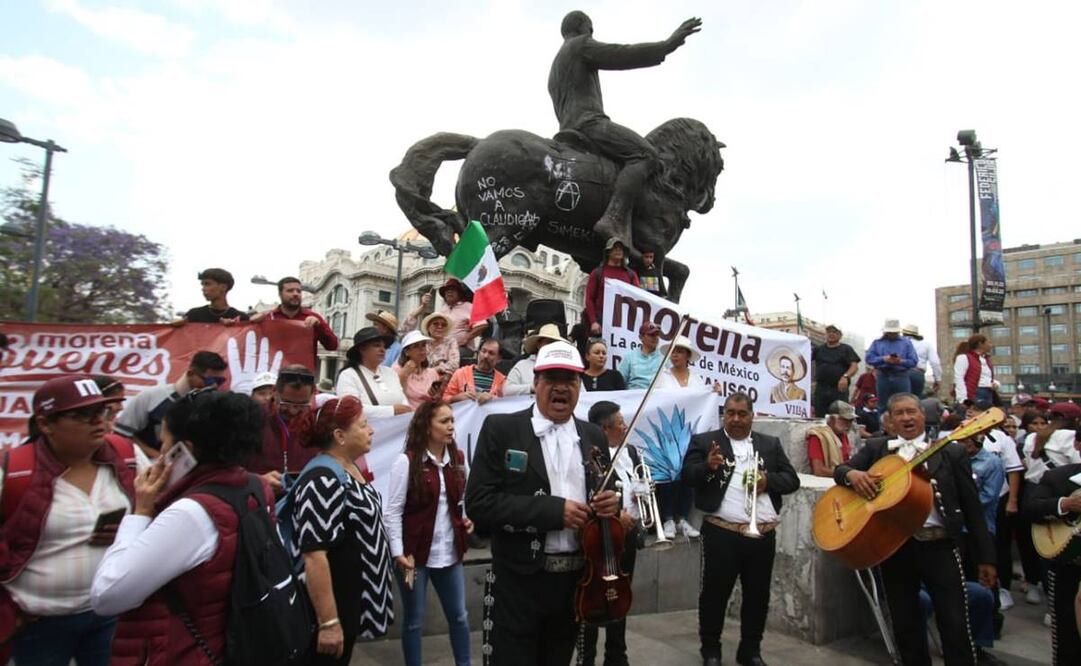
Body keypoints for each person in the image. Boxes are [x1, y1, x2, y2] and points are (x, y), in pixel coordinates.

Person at [464, 340, 621, 666]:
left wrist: (612, 503)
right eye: (552, 379)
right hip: (520, 581)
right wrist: (552, 511)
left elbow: (610, 487)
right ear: (535, 383)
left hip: (576, 582)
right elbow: (479, 503)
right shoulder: (502, 429)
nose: (561, 387)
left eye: (570, 380)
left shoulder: (593, 435)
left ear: (580, 385)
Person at [89, 390, 268, 664]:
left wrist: (141, 512)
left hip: (180, 651)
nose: (159, 454)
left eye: (164, 443)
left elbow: (107, 596)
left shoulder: (192, 513)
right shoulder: (256, 486)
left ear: (185, 450)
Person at [833, 392, 997, 666]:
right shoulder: (876, 449)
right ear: (890, 421)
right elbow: (840, 469)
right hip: (894, 548)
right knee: (905, 625)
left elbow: (973, 510)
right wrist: (852, 475)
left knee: (955, 623)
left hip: (941, 547)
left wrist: (986, 558)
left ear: (923, 416)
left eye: (912, 412)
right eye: (899, 413)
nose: (907, 418)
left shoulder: (951, 452)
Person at [1, 376, 142, 666]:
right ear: (45, 424)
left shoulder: (126, 456)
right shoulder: (14, 472)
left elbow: (158, 509)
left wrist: (135, 526)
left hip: (110, 617)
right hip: (38, 625)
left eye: (102, 412)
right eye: (82, 415)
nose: (98, 422)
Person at [548, 10, 701, 247]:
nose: (592, 32)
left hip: (568, 126)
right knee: (646, 154)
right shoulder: (580, 45)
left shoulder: (556, 66)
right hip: (589, 123)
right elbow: (621, 54)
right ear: (582, 27)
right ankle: (615, 218)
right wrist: (665, 46)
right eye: (590, 27)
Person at [682, 392, 800, 666]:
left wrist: (767, 481)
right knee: (714, 594)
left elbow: (792, 479)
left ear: (752, 415)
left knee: (757, 595)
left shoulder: (769, 444)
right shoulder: (705, 441)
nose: (735, 419)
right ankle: (710, 650)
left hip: (762, 533)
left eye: (741, 414)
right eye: (730, 413)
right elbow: (687, 476)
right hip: (721, 532)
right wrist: (708, 468)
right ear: (724, 414)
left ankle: (751, 650)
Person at [279, 396, 394, 665]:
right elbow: (314, 555)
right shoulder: (322, 479)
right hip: (330, 613)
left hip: (350, 607)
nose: (371, 430)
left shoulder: (349, 468)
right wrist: (329, 623)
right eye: (364, 425)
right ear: (340, 435)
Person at [384, 401, 474, 666]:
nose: (451, 427)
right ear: (426, 425)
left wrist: (466, 520)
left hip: (450, 552)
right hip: (414, 556)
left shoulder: (457, 459)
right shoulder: (407, 461)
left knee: (460, 616)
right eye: (443, 421)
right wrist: (398, 552)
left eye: (452, 421)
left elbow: (460, 502)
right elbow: (393, 511)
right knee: (414, 620)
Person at [580, 401, 643, 666]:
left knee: (621, 593)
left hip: (627, 537)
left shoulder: (630, 451)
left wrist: (643, 491)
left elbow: (637, 484)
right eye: (619, 423)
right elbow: (587, 497)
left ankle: (617, 656)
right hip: (599, 537)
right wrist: (618, 514)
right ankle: (587, 657)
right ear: (604, 429)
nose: (625, 426)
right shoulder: (591, 456)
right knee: (593, 597)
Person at [1022, 460, 1081, 665]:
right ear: (1077, 445)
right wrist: (1065, 504)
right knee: (1067, 639)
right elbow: (1029, 508)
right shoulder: (1058, 476)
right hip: (1069, 570)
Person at [114, 351, 228, 457]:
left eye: (220, 381)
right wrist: (157, 457)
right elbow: (121, 435)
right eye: (210, 381)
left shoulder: (214, 405)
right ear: (190, 373)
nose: (214, 386)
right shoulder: (150, 397)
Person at [246, 365, 318, 494]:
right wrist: (257, 480)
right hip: (259, 500)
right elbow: (227, 470)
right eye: (286, 403)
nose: (293, 411)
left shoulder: (316, 424)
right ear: (274, 392)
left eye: (302, 405)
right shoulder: (251, 420)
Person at [251, 276, 340, 356]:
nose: (295, 294)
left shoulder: (314, 318)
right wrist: (251, 325)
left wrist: (319, 326)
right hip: (274, 371)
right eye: (290, 291)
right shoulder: (268, 317)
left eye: (298, 291)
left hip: (303, 372)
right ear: (280, 294)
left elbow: (332, 346)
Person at [336, 327, 412, 418]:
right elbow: (350, 408)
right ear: (362, 349)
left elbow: (403, 399)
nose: (382, 350)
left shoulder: (390, 372)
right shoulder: (348, 375)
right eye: (377, 345)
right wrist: (391, 410)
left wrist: (404, 410)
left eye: (384, 346)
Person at [584, 239, 640, 337]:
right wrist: (593, 321)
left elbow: (638, 299)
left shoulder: (631, 275)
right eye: (615, 248)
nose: (618, 251)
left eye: (621, 249)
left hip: (623, 322)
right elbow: (589, 299)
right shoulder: (597, 273)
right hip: (601, 321)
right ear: (608, 252)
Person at [865, 319, 918, 411]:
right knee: (883, 406)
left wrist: (900, 361)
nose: (892, 334)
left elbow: (914, 361)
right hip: (883, 375)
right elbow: (869, 358)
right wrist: (883, 359)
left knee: (904, 404)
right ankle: (884, 425)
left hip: (901, 375)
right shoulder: (877, 343)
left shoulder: (906, 343)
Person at [811, 324, 860, 418]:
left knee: (840, 416)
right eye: (829, 332)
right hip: (821, 389)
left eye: (834, 332)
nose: (831, 334)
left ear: (840, 335)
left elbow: (854, 366)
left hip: (838, 389)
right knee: (820, 417)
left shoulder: (846, 349)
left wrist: (845, 376)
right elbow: (804, 359)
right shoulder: (819, 349)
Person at [504, 324, 565, 396]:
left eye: (555, 343)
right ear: (539, 344)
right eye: (548, 342)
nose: (551, 346)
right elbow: (506, 390)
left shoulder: (566, 367)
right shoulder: (522, 366)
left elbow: (581, 393)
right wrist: (531, 388)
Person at [443, 338, 506, 404]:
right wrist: (456, 398)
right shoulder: (460, 373)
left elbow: (506, 405)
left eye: (491, 353)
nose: (486, 356)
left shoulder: (502, 381)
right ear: (478, 353)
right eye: (483, 351)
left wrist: (493, 399)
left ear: (499, 359)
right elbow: (444, 400)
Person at [394, 330, 444, 409]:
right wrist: (404, 375)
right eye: (416, 346)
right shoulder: (397, 370)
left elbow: (438, 400)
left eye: (423, 345)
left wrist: (436, 396)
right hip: (407, 416)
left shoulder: (432, 373)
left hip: (428, 415)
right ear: (407, 352)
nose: (422, 349)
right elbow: (396, 397)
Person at [806, 400, 856, 477]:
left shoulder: (843, 435)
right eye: (844, 420)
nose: (848, 424)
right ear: (832, 419)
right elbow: (818, 470)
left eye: (850, 421)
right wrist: (846, 475)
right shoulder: (818, 436)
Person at [182, 268, 248, 324]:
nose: (203, 289)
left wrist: (232, 329)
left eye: (207, 284)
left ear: (223, 287)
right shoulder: (193, 315)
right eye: (202, 285)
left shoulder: (241, 318)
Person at [439, 278, 488, 353]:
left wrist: (466, 338)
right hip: (443, 348)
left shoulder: (469, 306)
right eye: (447, 290)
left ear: (459, 293)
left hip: (462, 349)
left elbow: (482, 325)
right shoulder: (443, 309)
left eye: (453, 290)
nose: (449, 292)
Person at [954, 334, 997, 406]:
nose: (991, 345)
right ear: (980, 344)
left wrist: (994, 384)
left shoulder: (986, 360)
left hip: (988, 392)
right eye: (988, 342)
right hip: (975, 392)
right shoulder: (964, 358)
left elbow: (985, 377)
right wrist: (963, 399)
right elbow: (959, 378)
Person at [618, 322, 662, 389]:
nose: (655, 337)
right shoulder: (629, 357)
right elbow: (619, 382)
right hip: (634, 396)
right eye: (651, 335)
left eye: (657, 335)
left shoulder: (665, 357)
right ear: (641, 337)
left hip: (658, 396)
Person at [903, 324, 942, 398]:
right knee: (915, 399)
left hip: (901, 373)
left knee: (900, 399)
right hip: (917, 373)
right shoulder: (926, 345)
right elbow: (935, 362)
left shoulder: (900, 344)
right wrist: (937, 379)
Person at [421, 312, 460, 376]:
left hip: (442, 378)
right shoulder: (422, 343)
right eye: (435, 324)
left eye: (443, 325)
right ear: (428, 327)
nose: (440, 326)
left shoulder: (451, 342)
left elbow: (454, 364)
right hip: (422, 378)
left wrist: (436, 370)